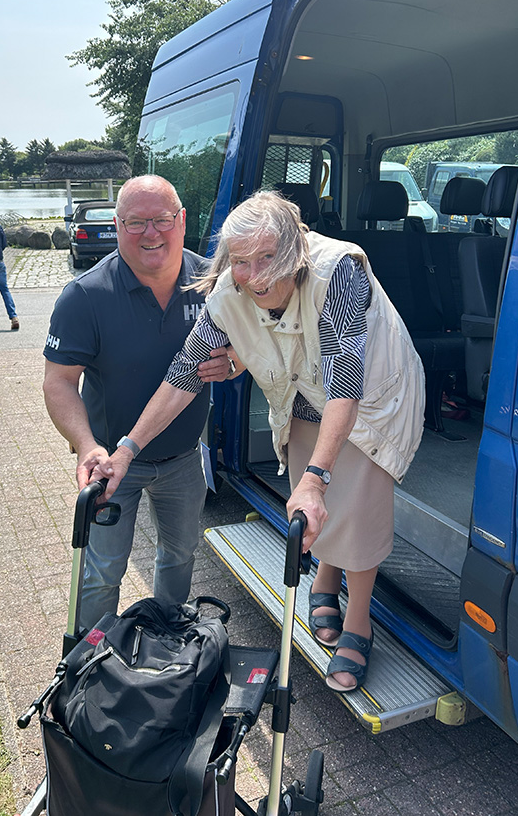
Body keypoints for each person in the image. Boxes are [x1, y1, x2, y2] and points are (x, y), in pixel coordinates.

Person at [92, 189, 426, 693]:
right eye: (242, 261)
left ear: (297, 247)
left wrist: (317, 477)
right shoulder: (227, 292)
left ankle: (359, 620)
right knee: (312, 505)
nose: (256, 274)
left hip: (371, 396)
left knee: (353, 508)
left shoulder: (338, 272)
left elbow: (346, 380)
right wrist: (126, 449)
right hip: (302, 394)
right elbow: (184, 374)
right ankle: (324, 580)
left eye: (269, 256)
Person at [42, 175, 234, 632]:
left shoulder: (214, 283)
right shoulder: (85, 295)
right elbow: (58, 383)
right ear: (117, 224)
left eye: (163, 220)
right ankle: (89, 665)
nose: (152, 233)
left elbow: (252, 344)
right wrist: (86, 444)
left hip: (185, 459)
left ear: (182, 220)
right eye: (136, 222)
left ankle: (168, 641)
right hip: (111, 463)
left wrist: (236, 362)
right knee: (103, 571)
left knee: (180, 555)